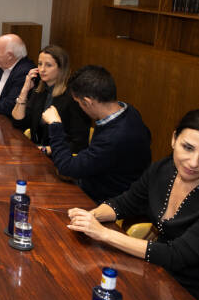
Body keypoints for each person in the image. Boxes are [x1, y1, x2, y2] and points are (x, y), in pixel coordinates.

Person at [66, 108, 199, 300]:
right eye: (188, 147)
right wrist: (90, 216)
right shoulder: (164, 169)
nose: (194, 162)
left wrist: (103, 234)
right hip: (159, 278)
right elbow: (125, 203)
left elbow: (176, 255)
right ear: (174, 139)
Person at [42, 65, 151, 202]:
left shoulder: (114, 137)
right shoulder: (129, 111)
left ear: (87, 102)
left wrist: (55, 125)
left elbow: (66, 168)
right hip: (98, 183)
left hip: (103, 201)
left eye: (79, 104)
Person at [11, 45, 91, 154]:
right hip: (37, 152)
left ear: (61, 68)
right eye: (40, 64)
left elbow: (79, 144)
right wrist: (24, 90)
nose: (42, 69)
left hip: (59, 159)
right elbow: (18, 122)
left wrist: (44, 150)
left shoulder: (74, 98)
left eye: (48, 65)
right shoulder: (40, 92)